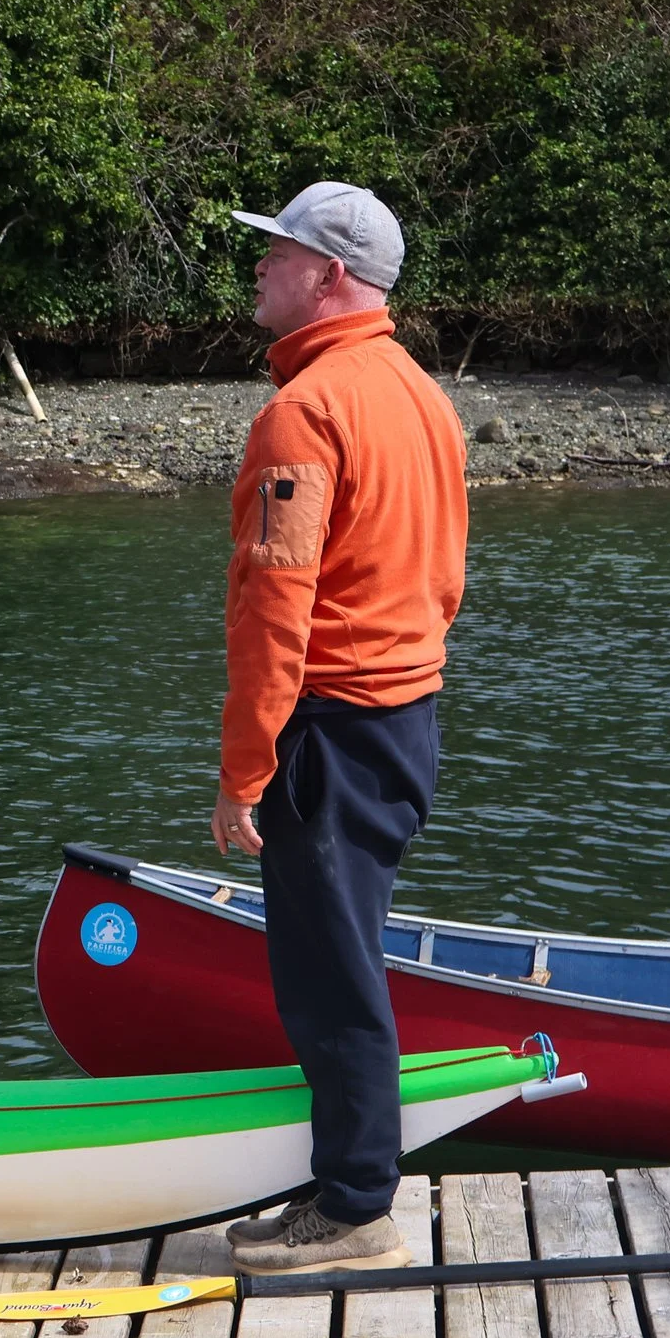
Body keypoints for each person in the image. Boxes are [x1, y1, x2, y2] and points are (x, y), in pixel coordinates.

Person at [208, 182, 468, 1274]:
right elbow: (443, 573)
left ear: (329, 274)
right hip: (406, 719)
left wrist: (243, 767)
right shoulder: (416, 392)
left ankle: (356, 1205)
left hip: (333, 729)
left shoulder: (304, 410)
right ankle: (344, 1184)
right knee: (344, 960)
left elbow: (277, 599)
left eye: (276, 253)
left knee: (329, 978)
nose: (258, 268)